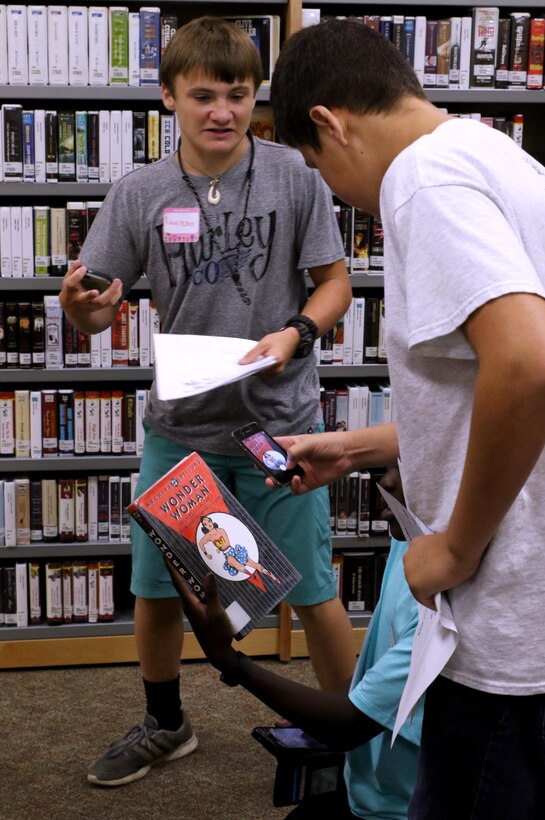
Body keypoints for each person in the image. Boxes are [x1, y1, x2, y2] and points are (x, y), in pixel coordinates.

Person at [59, 16, 356, 787]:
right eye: (202, 95)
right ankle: (166, 724)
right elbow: (94, 312)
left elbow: (334, 283)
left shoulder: (295, 175)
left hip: (281, 427)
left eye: (237, 93)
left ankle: (352, 735)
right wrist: (81, 307)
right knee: (156, 592)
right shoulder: (141, 192)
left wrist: (294, 333)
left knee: (314, 593)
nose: (221, 110)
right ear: (168, 98)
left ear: (254, 95)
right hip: (181, 428)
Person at [267, 19, 545, 820]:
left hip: (504, 623)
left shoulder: (421, 181)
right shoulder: (495, 155)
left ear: (328, 122)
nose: (333, 191)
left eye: (318, 168)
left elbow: (524, 363)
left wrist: (453, 549)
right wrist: (357, 447)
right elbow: (489, 383)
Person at [171, 466, 422, 819]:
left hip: (399, 809)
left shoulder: (446, 605)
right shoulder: (409, 539)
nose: (385, 482)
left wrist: (229, 660)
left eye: (409, 467)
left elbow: (348, 724)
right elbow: (374, 677)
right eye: (388, 464)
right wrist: (314, 711)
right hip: (366, 789)